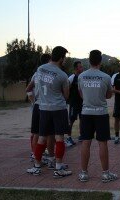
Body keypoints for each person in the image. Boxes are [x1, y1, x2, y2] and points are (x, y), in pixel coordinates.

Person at [27, 46, 72, 178]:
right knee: (59, 138)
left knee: (41, 138)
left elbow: (34, 87)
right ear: (62, 57)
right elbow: (66, 96)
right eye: (65, 58)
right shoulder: (62, 75)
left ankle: (36, 166)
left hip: (43, 108)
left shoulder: (40, 69)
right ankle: (58, 168)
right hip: (58, 109)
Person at [78, 50, 117, 183]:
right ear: (100, 61)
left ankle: (84, 173)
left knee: (85, 142)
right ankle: (105, 174)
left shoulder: (81, 76)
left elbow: (81, 93)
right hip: (101, 113)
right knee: (102, 143)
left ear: (89, 61)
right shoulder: (106, 77)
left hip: (86, 113)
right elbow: (109, 95)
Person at [26, 54, 54, 162]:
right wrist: (33, 100)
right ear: (48, 61)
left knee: (38, 133)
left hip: (38, 105)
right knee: (44, 133)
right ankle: (39, 155)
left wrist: (33, 100)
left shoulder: (36, 74)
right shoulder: (50, 74)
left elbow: (28, 89)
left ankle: (36, 154)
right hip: (44, 106)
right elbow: (29, 89)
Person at [66, 61, 84, 146]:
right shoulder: (72, 78)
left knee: (82, 119)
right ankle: (68, 138)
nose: (82, 68)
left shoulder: (83, 77)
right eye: (80, 67)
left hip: (82, 103)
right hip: (73, 103)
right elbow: (66, 88)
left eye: (82, 66)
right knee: (71, 120)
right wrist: (67, 99)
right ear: (76, 68)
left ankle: (81, 136)